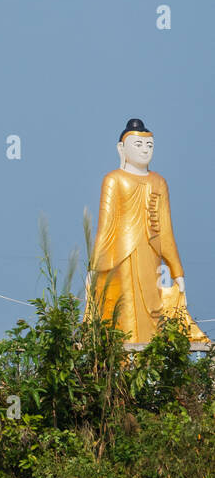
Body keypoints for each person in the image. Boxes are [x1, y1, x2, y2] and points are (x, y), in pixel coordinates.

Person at [86, 119, 208, 343]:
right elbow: (105, 226)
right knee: (123, 308)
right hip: (120, 257)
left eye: (149, 145)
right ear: (121, 149)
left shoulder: (159, 182)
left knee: (153, 308)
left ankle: (149, 366)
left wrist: (177, 271)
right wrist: (94, 268)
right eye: (138, 145)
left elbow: (166, 229)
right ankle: (123, 366)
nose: (144, 150)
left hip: (151, 255)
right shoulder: (113, 179)